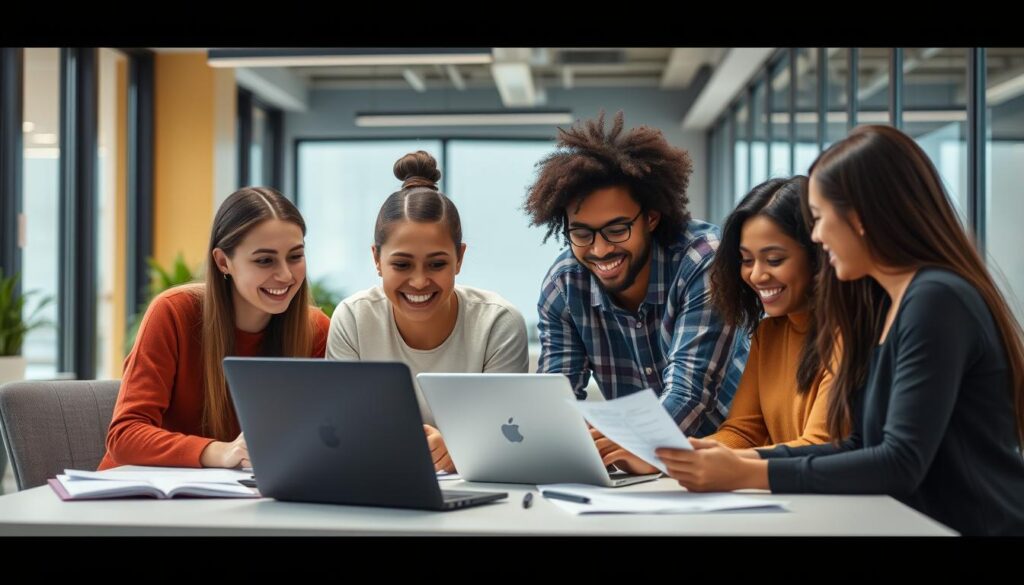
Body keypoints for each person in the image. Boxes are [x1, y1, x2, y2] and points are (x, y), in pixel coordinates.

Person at [656, 125, 1024, 536]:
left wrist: (744, 474)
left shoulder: (936, 299)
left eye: (820, 218)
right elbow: (859, 447)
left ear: (861, 219)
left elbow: (898, 462)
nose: (816, 236)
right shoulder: (901, 305)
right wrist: (739, 462)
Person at [524, 110, 748, 474]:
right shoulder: (564, 286)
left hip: (731, 457)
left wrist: (631, 444)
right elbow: (556, 399)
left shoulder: (703, 263)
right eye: (581, 233)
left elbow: (689, 396)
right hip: (640, 469)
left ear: (652, 217)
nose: (599, 250)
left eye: (616, 229)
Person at [326, 151, 529, 472]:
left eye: (437, 264)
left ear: (459, 258)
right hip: (379, 485)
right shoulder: (353, 318)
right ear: (376, 260)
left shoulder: (497, 323)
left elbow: (510, 433)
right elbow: (343, 428)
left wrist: (461, 447)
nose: (419, 281)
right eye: (402, 264)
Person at [102, 187, 331, 470]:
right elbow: (125, 436)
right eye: (264, 260)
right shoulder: (173, 312)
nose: (285, 274)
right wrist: (221, 453)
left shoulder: (315, 330)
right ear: (223, 261)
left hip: (237, 500)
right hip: (138, 497)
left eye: (295, 256)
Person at [703, 176, 834, 450]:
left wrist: (711, 463)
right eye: (747, 260)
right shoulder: (769, 333)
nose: (757, 275)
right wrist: (668, 457)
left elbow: (819, 446)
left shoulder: (846, 333)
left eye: (774, 260)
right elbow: (742, 432)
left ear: (817, 255)